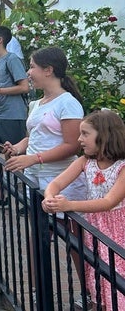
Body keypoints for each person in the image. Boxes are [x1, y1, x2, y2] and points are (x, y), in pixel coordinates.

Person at [3, 47, 87, 302]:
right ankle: (40, 291)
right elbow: (36, 135)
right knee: (38, 235)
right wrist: (17, 148)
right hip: (37, 180)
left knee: (75, 241)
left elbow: (72, 145)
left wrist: (34, 157)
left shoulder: (68, 103)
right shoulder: (36, 103)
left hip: (64, 182)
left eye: (32, 67)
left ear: (48, 70)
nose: (28, 72)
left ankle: (88, 292)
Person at [42, 110, 125, 310]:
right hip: (94, 230)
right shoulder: (85, 162)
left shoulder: (122, 167)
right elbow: (55, 183)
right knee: (96, 275)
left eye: (85, 133)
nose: (79, 139)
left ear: (105, 135)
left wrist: (69, 205)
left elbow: (109, 201)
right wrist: (49, 198)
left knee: (115, 276)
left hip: (116, 232)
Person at [0, 25, 29, 206]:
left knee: (16, 157)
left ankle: (26, 199)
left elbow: (24, 87)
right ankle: (1, 195)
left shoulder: (12, 59)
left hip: (13, 115)